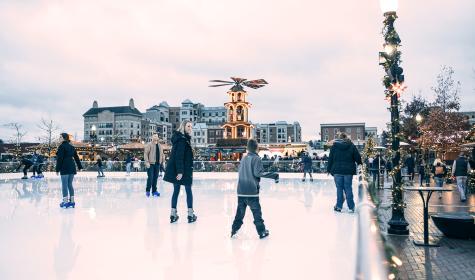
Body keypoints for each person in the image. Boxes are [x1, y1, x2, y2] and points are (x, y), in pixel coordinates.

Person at [231, 139, 279, 239]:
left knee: (239, 214)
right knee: (257, 214)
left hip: (241, 191)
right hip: (251, 192)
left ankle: (233, 230)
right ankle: (262, 232)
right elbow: (258, 173)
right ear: (256, 148)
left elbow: (240, 172)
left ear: (248, 148)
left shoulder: (243, 158)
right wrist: (274, 175)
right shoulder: (256, 159)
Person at [164, 121, 196, 223]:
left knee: (177, 191)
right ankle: (190, 215)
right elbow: (179, 157)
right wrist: (180, 172)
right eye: (188, 126)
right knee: (187, 191)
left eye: (191, 126)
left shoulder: (182, 139)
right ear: (183, 126)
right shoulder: (182, 140)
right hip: (183, 170)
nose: (190, 128)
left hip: (179, 170)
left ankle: (173, 214)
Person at [327, 132, 362, 213]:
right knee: (348, 188)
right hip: (348, 171)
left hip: (337, 171)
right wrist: (360, 163)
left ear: (339, 138)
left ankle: (339, 207)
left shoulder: (334, 146)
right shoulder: (351, 145)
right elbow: (357, 156)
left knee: (339, 189)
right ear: (346, 138)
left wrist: (328, 169)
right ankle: (351, 207)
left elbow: (330, 159)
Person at [55, 133, 83, 208]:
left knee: (64, 185)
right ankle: (72, 201)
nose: (59, 138)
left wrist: (57, 169)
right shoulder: (72, 147)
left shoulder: (61, 146)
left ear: (64, 138)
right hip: (72, 166)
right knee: (69, 184)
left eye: (60, 137)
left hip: (64, 167)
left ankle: (65, 202)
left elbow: (59, 159)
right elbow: (76, 158)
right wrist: (80, 167)